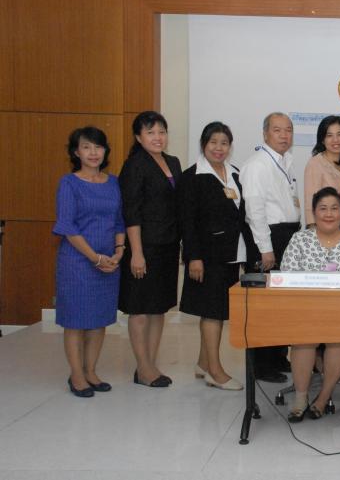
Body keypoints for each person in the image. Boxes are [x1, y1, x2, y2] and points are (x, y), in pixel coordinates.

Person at [280, 187, 340, 422]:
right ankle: (301, 398)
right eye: (323, 208)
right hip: (305, 310)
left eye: (334, 209)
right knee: (304, 339)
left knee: (339, 337)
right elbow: (287, 275)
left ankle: (323, 397)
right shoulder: (300, 240)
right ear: (314, 212)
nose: (329, 214)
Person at [178, 122, 255, 391]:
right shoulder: (192, 177)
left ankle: (203, 363)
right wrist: (193, 257)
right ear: (203, 145)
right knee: (211, 312)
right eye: (213, 142)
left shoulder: (235, 173)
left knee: (217, 311)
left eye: (224, 143)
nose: (219, 148)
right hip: (207, 256)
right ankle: (215, 371)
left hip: (231, 254)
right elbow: (187, 221)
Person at [53, 127, 125, 398]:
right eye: (86, 147)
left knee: (98, 319)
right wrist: (94, 257)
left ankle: (91, 371)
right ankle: (77, 374)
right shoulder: (69, 183)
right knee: (75, 321)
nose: (93, 152)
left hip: (108, 261)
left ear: (105, 151)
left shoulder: (114, 183)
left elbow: (119, 221)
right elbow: (67, 226)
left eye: (98, 147)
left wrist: (118, 252)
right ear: (76, 152)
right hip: (77, 262)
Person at [119, 111, 182, 388]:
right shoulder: (135, 165)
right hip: (143, 248)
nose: (158, 137)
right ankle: (143, 367)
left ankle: (150, 365)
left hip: (168, 246)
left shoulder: (173, 162)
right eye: (150, 132)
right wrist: (136, 253)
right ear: (138, 137)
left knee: (159, 308)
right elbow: (131, 212)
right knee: (140, 309)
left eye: (162, 132)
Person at [240, 112, 301, 383]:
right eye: (277, 130)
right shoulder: (257, 164)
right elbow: (254, 211)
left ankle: (277, 356)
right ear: (265, 134)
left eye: (288, 130)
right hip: (268, 240)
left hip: (286, 235)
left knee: (283, 302)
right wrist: (265, 249)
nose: (284, 135)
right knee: (264, 305)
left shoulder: (285, 161)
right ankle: (261, 365)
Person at [304, 115, 340, 228]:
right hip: (323, 227)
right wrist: (313, 231)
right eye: (329, 135)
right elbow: (310, 202)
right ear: (322, 140)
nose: (335, 140)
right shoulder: (315, 163)